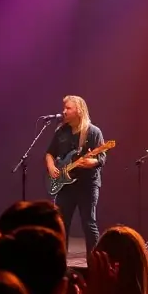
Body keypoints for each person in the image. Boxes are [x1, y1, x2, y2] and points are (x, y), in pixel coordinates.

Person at [45, 95, 107, 255]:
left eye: (68, 108)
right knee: (61, 224)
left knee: (89, 223)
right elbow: (50, 153)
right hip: (65, 186)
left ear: (79, 111)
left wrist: (91, 162)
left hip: (87, 184)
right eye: (64, 108)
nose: (64, 111)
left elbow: (101, 157)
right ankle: (60, 263)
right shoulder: (61, 131)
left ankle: (95, 263)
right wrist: (51, 167)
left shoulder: (93, 132)